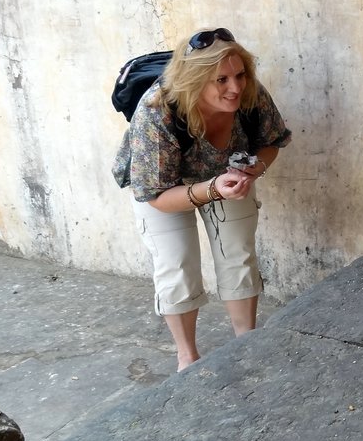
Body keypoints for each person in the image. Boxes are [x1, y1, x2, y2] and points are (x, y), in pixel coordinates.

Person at [112, 27, 292, 371]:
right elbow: (157, 197)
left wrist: (256, 169)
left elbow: (272, 139)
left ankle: (247, 343)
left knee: (237, 254)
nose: (235, 87)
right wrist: (210, 189)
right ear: (194, 80)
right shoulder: (157, 111)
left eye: (239, 75)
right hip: (165, 188)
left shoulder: (250, 94)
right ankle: (187, 357)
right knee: (176, 265)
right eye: (221, 80)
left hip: (228, 175)